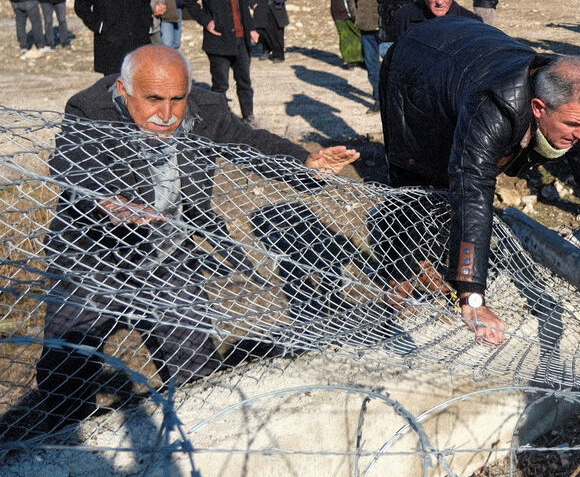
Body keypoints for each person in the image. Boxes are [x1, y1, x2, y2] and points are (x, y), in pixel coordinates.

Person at [19, 45, 358, 437]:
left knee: (197, 365)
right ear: (124, 90)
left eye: (176, 99)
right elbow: (70, 165)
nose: (166, 114)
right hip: (93, 255)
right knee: (68, 367)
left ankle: (202, 438)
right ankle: (63, 447)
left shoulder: (206, 109)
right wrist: (106, 202)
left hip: (166, 253)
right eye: (153, 99)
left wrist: (302, 164)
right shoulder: (88, 110)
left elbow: (248, 143)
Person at [380, 18, 580, 345]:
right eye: (572, 125)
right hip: (416, 68)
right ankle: (397, 273)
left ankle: (435, 261)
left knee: (457, 183)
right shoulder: (494, 107)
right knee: (420, 179)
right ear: (539, 107)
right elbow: (473, 193)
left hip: (469, 55)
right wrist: (472, 298)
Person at [184, 0, 258, 122]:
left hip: (241, 37)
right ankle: (221, 125)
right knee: (220, 86)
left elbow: (243, 0)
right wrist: (206, 21)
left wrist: (251, 28)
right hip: (218, 37)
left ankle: (248, 120)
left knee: (245, 83)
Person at [353, 0, 384, 112]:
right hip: (366, 25)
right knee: (372, 66)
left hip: (385, 26)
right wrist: (355, 12)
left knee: (391, 65)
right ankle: (378, 99)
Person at [318, 0, 362, 68]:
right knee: (345, 36)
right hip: (339, 12)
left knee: (358, 34)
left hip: (353, 10)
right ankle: (349, 60)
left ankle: (361, 59)